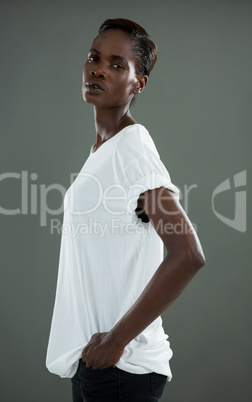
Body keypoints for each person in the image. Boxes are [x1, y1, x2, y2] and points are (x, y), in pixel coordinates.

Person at [46, 18, 205, 402]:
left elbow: (188, 255)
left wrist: (116, 341)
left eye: (117, 65)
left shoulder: (133, 149)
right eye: (94, 58)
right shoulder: (105, 151)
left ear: (138, 83)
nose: (98, 68)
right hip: (93, 362)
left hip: (121, 367)